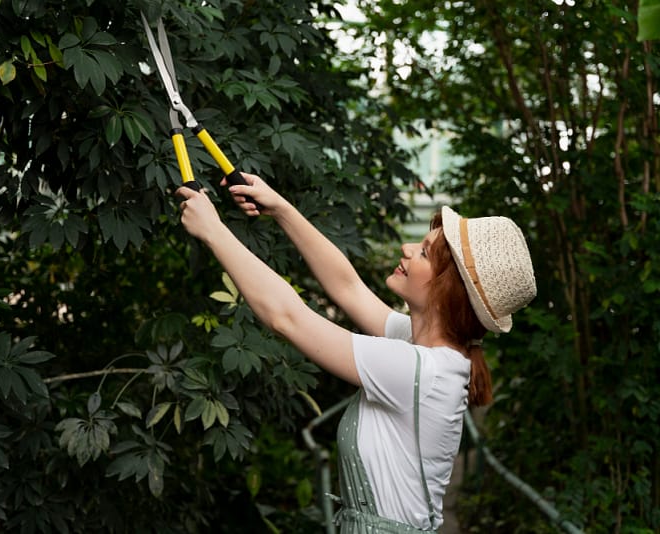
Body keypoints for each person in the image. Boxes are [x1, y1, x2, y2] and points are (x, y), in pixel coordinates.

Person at [175, 173, 536, 532]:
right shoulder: (421, 349)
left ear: (448, 292)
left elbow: (287, 318)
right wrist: (281, 208)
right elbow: (348, 287)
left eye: (424, 252)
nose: (407, 248)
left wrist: (214, 231)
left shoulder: (420, 370)